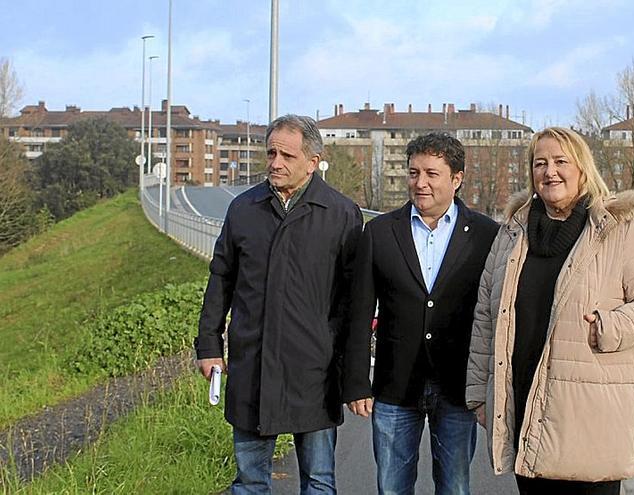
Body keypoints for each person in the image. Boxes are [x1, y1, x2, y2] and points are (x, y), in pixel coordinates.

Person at [466, 127, 634, 494]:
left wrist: (609, 327)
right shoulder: (512, 233)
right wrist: (478, 395)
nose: (550, 172)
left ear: (582, 168)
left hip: (590, 416)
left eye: (561, 161)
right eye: (540, 163)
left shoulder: (619, 228)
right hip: (528, 408)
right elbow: (486, 315)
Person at [195, 115, 363, 494]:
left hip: (315, 371)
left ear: (313, 160)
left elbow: (355, 301)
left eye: (286, 154)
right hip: (252, 365)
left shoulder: (342, 215)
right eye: (271, 152)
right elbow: (221, 278)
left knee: (319, 482)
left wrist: (351, 373)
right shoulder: (244, 209)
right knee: (250, 481)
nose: (275, 162)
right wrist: (209, 345)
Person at [343, 132, 498, 494]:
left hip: (458, 387)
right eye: (414, 173)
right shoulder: (380, 232)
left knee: (454, 487)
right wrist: (355, 381)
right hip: (395, 385)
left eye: (431, 173)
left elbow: (494, 314)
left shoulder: (486, 235)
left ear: (456, 179)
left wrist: (491, 385)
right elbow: (360, 311)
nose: (420, 183)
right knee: (392, 487)